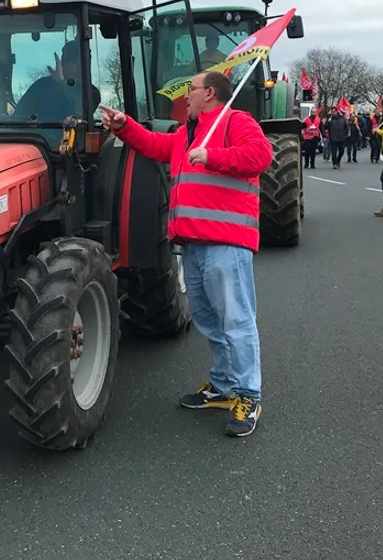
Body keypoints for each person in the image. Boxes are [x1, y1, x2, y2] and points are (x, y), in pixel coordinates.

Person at [99, 71, 272, 438]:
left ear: (209, 93)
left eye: (190, 90)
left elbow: (260, 156)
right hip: (193, 245)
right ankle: (223, 386)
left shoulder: (235, 123)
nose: (184, 97)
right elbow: (154, 146)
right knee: (209, 321)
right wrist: (123, 125)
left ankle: (248, 394)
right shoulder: (186, 134)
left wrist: (212, 156)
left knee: (236, 321)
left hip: (226, 243)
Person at [12, 39, 100, 122]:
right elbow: (18, 117)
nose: (67, 67)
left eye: (73, 62)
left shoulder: (92, 93)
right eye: (65, 62)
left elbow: (78, 117)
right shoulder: (41, 86)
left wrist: (62, 84)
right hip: (41, 137)